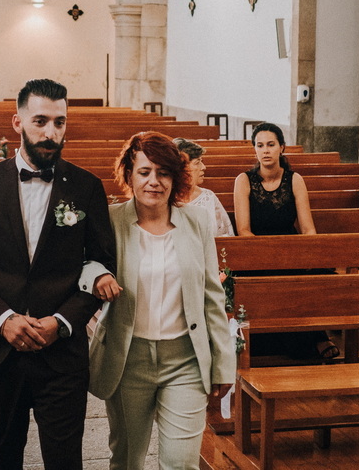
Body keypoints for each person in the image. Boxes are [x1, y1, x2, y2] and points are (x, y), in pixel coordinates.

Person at [0, 78, 116, 470]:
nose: (50, 132)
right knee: (2, 459)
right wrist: (3, 319)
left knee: (65, 462)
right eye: (40, 121)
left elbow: (102, 265)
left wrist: (63, 321)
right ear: (18, 122)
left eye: (59, 122)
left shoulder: (87, 187)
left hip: (62, 355)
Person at [81, 132, 233, 470]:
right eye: (145, 172)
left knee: (181, 463)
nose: (154, 181)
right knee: (127, 460)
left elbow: (212, 296)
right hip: (128, 358)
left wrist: (224, 362)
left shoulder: (197, 222)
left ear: (176, 178)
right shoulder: (111, 220)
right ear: (129, 175)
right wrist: (98, 275)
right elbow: (85, 262)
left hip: (185, 360)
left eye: (164, 173)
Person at [232, 122, 336, 362]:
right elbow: (244, 230)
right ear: (254, 149)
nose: (265, 150)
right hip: (256, 251)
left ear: (282, 148)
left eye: (271, 145)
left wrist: (307, 253)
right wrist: (268, 253)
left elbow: (308, 229)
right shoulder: (244, 180)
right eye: (260, 145)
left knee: (314, 275)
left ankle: (315, 336)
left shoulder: (294, 179)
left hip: (291, 249)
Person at [173, 137, 234, 236]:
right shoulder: (165, 200)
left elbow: (226, 235)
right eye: (197, 163)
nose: (203, 167)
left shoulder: (208, 197)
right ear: (180, 168)